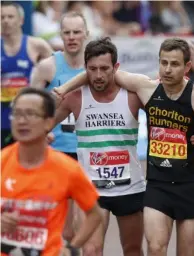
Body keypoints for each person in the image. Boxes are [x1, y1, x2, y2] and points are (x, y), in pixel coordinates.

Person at [53, 37, 194, 256]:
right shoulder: (145, 88)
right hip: (152, 185)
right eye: (163, 62)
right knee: (150, 248)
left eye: (174, 64)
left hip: (184, 185)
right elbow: (96, 73)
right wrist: (63, 88)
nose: (167, 69)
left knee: (166, 252)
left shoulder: (187, 91)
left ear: (186, 67)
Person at [51, 37, 147, 256]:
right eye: (92, 69)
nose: (98, 75)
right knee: (91, 250)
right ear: (85, 70)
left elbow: (167, 117)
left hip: (129, 187)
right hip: (91, 190)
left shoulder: (132, 96)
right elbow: (43, 123)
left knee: (132, 249)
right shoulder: (74, 98)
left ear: (116, 68)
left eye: (105, 68)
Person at [1, 87, 102, 256]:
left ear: (49, 122)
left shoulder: (68, 169)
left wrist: (71, 248)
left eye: (31, 114)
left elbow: (95, 214)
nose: (22, 121)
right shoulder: (2, 162)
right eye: (17, 114)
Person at [30, 11, 90, 242]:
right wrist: (39, 132)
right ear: (61, 35)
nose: (72, 37)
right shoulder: (47, 67)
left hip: (87, 149)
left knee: (83, 221)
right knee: (61, 224)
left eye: (77, 32)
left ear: (86, 34)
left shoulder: (95, 67)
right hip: (57, 150)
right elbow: (30, 105)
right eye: (67, 32)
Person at [1, 1, 53, 149]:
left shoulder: (36, 45)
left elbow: (57, 72)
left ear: (21, 20)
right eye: (2, 17)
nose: (5, 21)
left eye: (10, 16)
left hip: (27, 116)